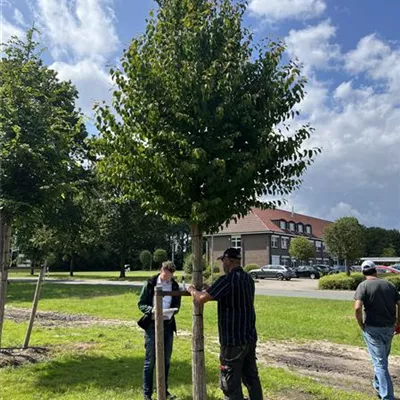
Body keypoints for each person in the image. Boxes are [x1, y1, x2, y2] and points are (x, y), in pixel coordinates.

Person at [187, 248, 263, 400]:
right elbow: (231, 296)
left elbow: (201, 298)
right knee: (252, 379)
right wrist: (212, 289)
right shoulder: (248, 279)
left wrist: (191, 290)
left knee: (230, 384)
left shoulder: (227, 280)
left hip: (232, 342)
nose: (222, 264)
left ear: (228, 261)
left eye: (223, 261)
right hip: (249, 337)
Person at [354, 260, 400, 400]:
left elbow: (357, 307)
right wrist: (398, 322)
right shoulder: (389, 285)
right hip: (389, 328)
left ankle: (387, 396)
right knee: (381, 359)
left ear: (363, 272)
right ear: (376, 270)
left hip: (373, 329)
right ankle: (378, 385)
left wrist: (361, 323)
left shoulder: (363, 286)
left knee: (380, 362)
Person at [138, 261, 181, 400]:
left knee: (166, 360)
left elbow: (177, 304)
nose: (167, 278)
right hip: (151, 324)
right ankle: (147, 394)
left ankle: (163, 390)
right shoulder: (150, 283)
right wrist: (152, 310)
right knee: (150, 361)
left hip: (167, 324)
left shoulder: (174, 285)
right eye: (165, 275)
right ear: (161, 270)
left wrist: (172, 311)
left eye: (170, 276)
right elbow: (141, 303)